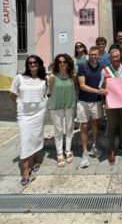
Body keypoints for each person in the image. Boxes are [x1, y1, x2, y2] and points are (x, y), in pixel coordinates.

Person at [9, 55, 48, 186]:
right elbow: (12, 94)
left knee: (37, 136)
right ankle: (26, 170)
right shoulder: (20, 77)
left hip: (39, 112)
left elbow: (46, 94)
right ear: (27, 64)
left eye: (35, 62)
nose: (32, 64)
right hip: (24, 114)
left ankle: (36, 160)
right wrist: (19, 105)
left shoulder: (44, 79)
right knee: (25, 139)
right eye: (30, 62)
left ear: (39, 64)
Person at [99, 49, 122, 165]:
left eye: (117, 57)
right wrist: (104, 81)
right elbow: (100, 88)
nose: (115, 59)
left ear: (119, 57)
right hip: (111, 102)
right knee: (112, 126)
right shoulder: (105, 71)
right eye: (112, 57)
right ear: (110, 58)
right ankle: (111, 149)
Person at [77, 46, 107, 168]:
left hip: (96, 101)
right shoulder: (82, 66)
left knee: (95, 124)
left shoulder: (102, 68)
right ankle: (85, 152)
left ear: (99, 55)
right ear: (88, 55)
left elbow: (103, 83)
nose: (94, 56)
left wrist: (107, 81)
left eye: (96, 54)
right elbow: (82, 85)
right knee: (84, 126)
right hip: (83, 101)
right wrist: (97, 91)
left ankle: (94, 145)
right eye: (92, 54)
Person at [49, 54, 76, 167]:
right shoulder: (52, 76)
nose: (62, 64)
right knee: (58, 130)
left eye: (64, 61)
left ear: (68, 63)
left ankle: (68, 151)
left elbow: (75, 88)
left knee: (69, 129)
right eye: (59, 62)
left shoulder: (72, 76)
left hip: (70, 105)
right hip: (56, 106)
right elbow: (51, 90)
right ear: (56, 64)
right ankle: (59, 154)